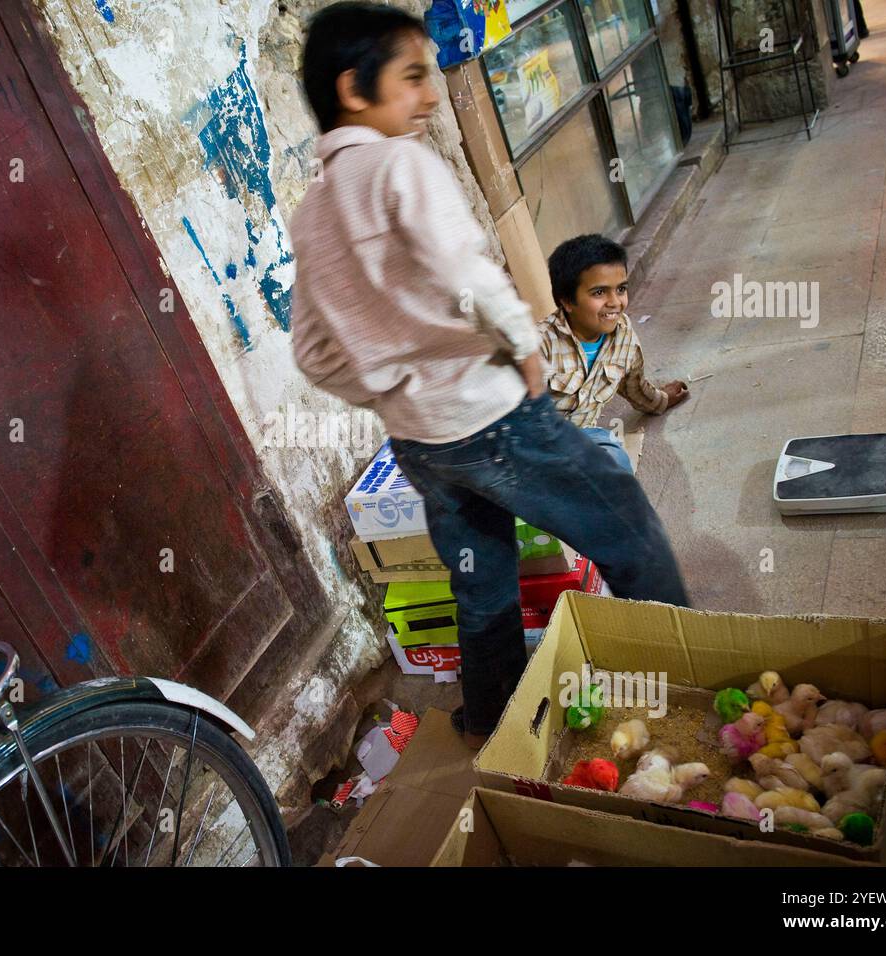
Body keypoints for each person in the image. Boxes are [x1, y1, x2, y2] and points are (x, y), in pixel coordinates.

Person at [289, 3, 690, 748]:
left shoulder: (312, 211)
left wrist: (385, 388)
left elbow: (312, 352)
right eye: (412, 77)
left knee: (480, 584)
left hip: (419, 444)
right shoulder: (400, 163)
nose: (432, 95)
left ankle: (491, 726)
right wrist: (521, 340)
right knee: (626, 526)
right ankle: (694, 684)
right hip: (493, 419)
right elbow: (460, 269)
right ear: (354, 88)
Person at [538, 234, 689, 473]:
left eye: (620, 289)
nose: (615, 302)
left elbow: (634, 385)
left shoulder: (623, 335)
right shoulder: (539, 346)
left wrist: (662, 400)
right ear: (567, 301)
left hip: (585, 441)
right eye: (599, 293)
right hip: (538, 454)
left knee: (614, 461)